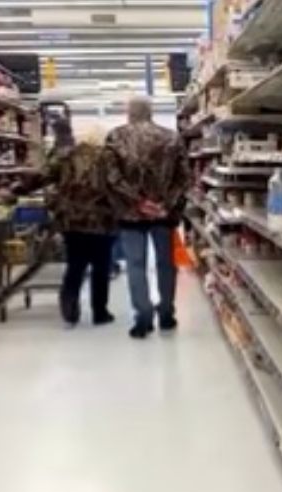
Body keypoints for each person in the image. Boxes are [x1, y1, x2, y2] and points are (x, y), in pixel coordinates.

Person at [5, 119, 116, 326]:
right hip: (103, 219)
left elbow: (41, 177)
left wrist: (16, 191)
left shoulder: (65, 157)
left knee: (76, 263)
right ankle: (100, 312)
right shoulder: (109, 159)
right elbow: (120, 185)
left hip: (71, 219)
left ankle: (70, 301)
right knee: (101, 267)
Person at [103, 96, 191, 339]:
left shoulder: (115, 137)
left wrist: (138, 201)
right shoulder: (171, 138)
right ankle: (166, 314)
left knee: (136, 265)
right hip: (163, 213)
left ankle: (143, 316)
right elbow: (184, 177)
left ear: (129, 113)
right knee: (166, 263)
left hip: (130, 213)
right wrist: (164, 204)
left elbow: (111, 177)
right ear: (151, 112)